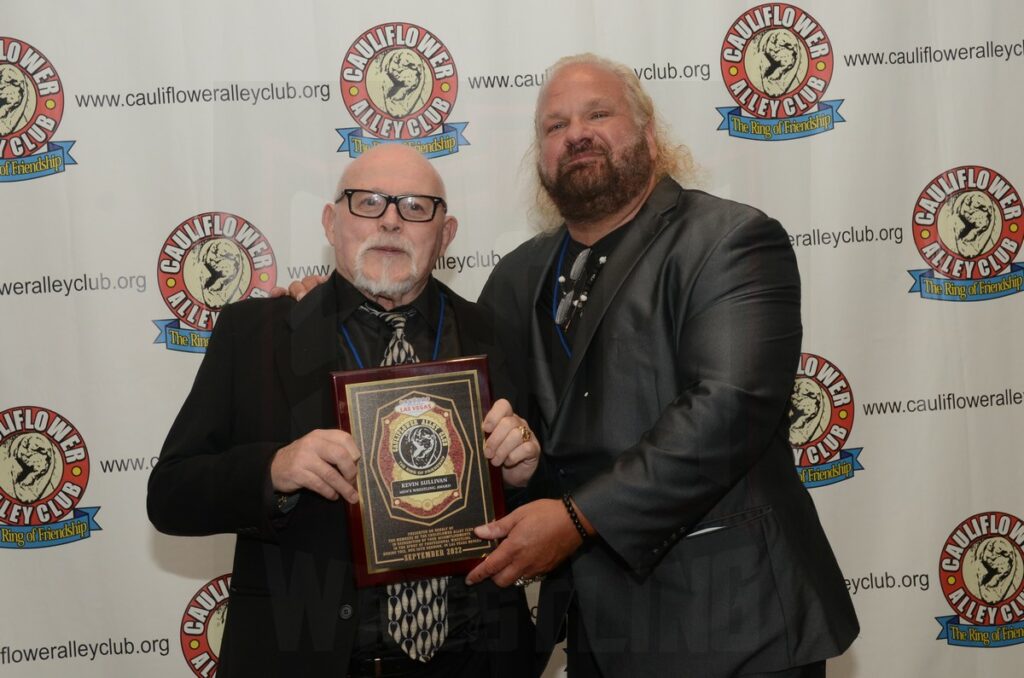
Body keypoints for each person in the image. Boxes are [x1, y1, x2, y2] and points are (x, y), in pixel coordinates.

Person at [463, 54, 860, 677]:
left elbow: (728, 410)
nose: (576, 133)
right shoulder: (517, 276)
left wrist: (575, 518)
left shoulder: (729, 239)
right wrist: (330, 299)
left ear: (651, 135)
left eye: (598, 113)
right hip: (595, 633)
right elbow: (469, 399)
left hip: (733, 624)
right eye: (554, 125)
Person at [148, 144, 538, 677]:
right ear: (331, 223)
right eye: (368, 202)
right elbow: (171, 495)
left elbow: (547, 505)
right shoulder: (254, 335)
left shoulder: (496, 335)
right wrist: (273, 471)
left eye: (416, 207)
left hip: (476, 661)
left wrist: (521, 476)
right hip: (308, 659)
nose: (391, 221)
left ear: (446, 235)